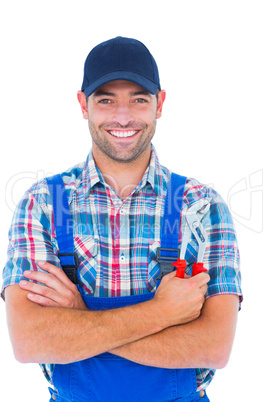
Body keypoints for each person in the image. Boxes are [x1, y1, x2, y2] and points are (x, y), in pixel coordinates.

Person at [1, 36, 242, 402]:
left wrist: (78, 321)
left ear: (160, 104)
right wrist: (162, 312)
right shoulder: (43, 204)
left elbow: (213, 348)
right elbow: (29, 341)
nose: (123, 116)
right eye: (106, 99)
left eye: (139, 99)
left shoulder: (203, 207)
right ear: (83, 105)